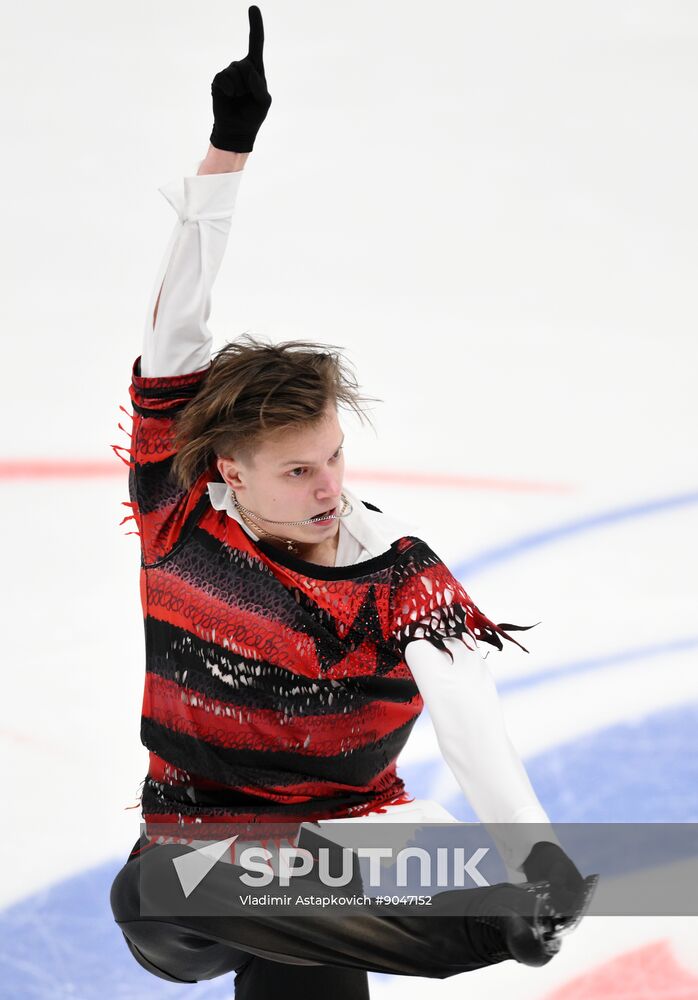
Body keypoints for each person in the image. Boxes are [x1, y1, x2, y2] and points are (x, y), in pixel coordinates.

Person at [109, 7, 591, 997]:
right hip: (191, 865)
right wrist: (226, 150)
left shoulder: (397, 578)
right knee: (180, 893)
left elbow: (467, 712)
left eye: (331, 457)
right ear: (228, 472)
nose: (329, 489)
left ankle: (500, 919)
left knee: (402, 924)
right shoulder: (178, 506)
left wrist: (531, 851)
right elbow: (176, 324)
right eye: (296, 471)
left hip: (340, 865)